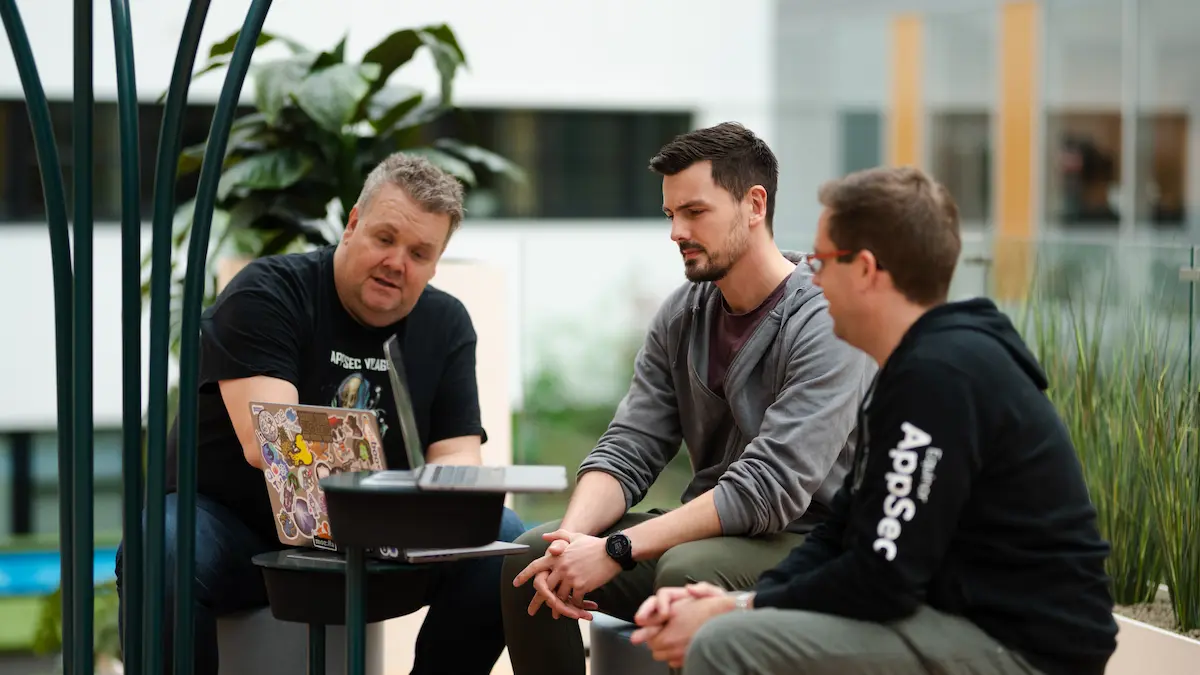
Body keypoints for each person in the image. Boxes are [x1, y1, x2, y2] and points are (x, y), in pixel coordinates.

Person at [630, 165, 1119, 675]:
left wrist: (734, 609)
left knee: (724, 644)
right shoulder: (912, 368)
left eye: (821, 261)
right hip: (955, 617)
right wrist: (745, 597)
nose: (811, 278)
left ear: (865, 269)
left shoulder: (941, 376)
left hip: (1024, 648)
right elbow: (844, 530)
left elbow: (884, 576)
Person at [114, 152, 525, 675]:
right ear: (353, 224)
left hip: (377, 533)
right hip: (235, 531)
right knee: (161, 548)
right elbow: (275, 442)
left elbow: (459, 456)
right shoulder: (268, 291)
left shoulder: (445, 322)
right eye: (385, 238)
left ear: (436, 262)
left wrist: (453, 498)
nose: (397, 262)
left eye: (420, 253)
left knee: (503, 540)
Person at [500, 122, 876, 675]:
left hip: (812, 541)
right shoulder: (683, 313)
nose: (676, 231)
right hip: (712, 532)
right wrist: (573, 538)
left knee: (689, 569)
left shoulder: (825, 317)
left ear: (754, 204)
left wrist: (614, 551)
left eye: (694, 212)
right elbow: (630, 446)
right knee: (532, 558)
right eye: (669, 214)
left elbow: (768, 489)